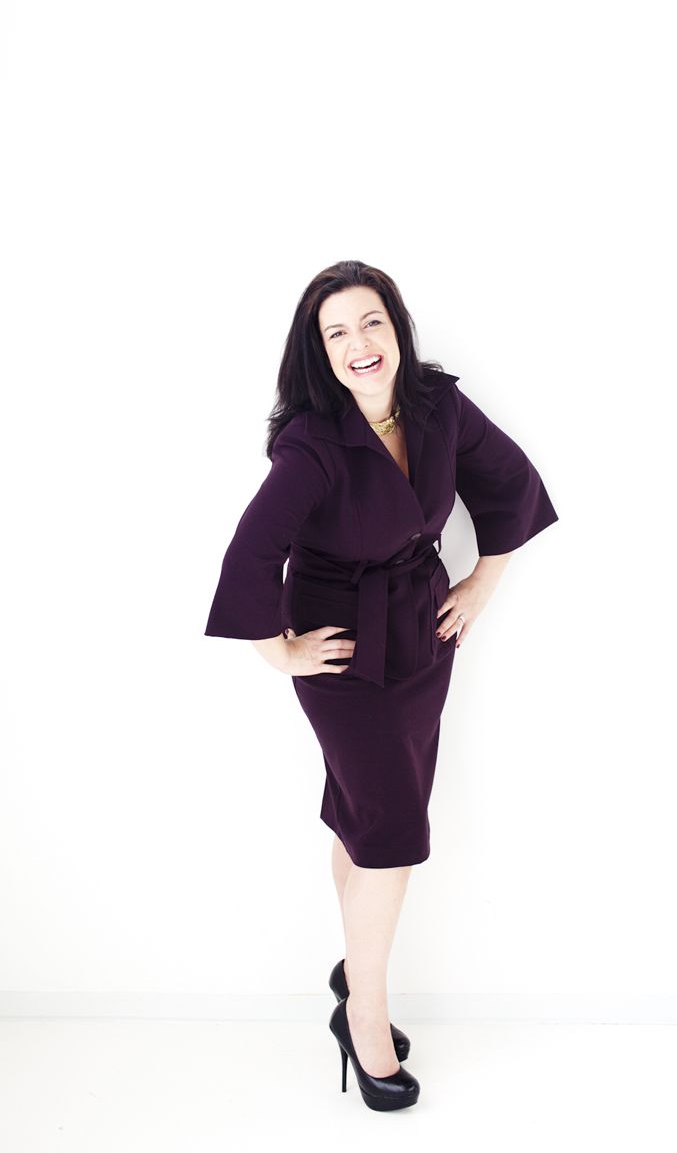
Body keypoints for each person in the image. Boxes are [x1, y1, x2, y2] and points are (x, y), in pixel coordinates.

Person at [204, 259, 559, 1111]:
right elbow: (250, 553)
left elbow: (510, 481)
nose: (359, 343)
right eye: (337, 333)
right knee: (391, 835)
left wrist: (482, 583)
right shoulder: (313, 443)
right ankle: (365, 1014)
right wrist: (278, 651)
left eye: (371, 322)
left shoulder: (436, 405)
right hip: (344, 653)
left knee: (367, 816)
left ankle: (353, 977)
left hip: (423, 635)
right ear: (320, 352)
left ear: (396, 328)